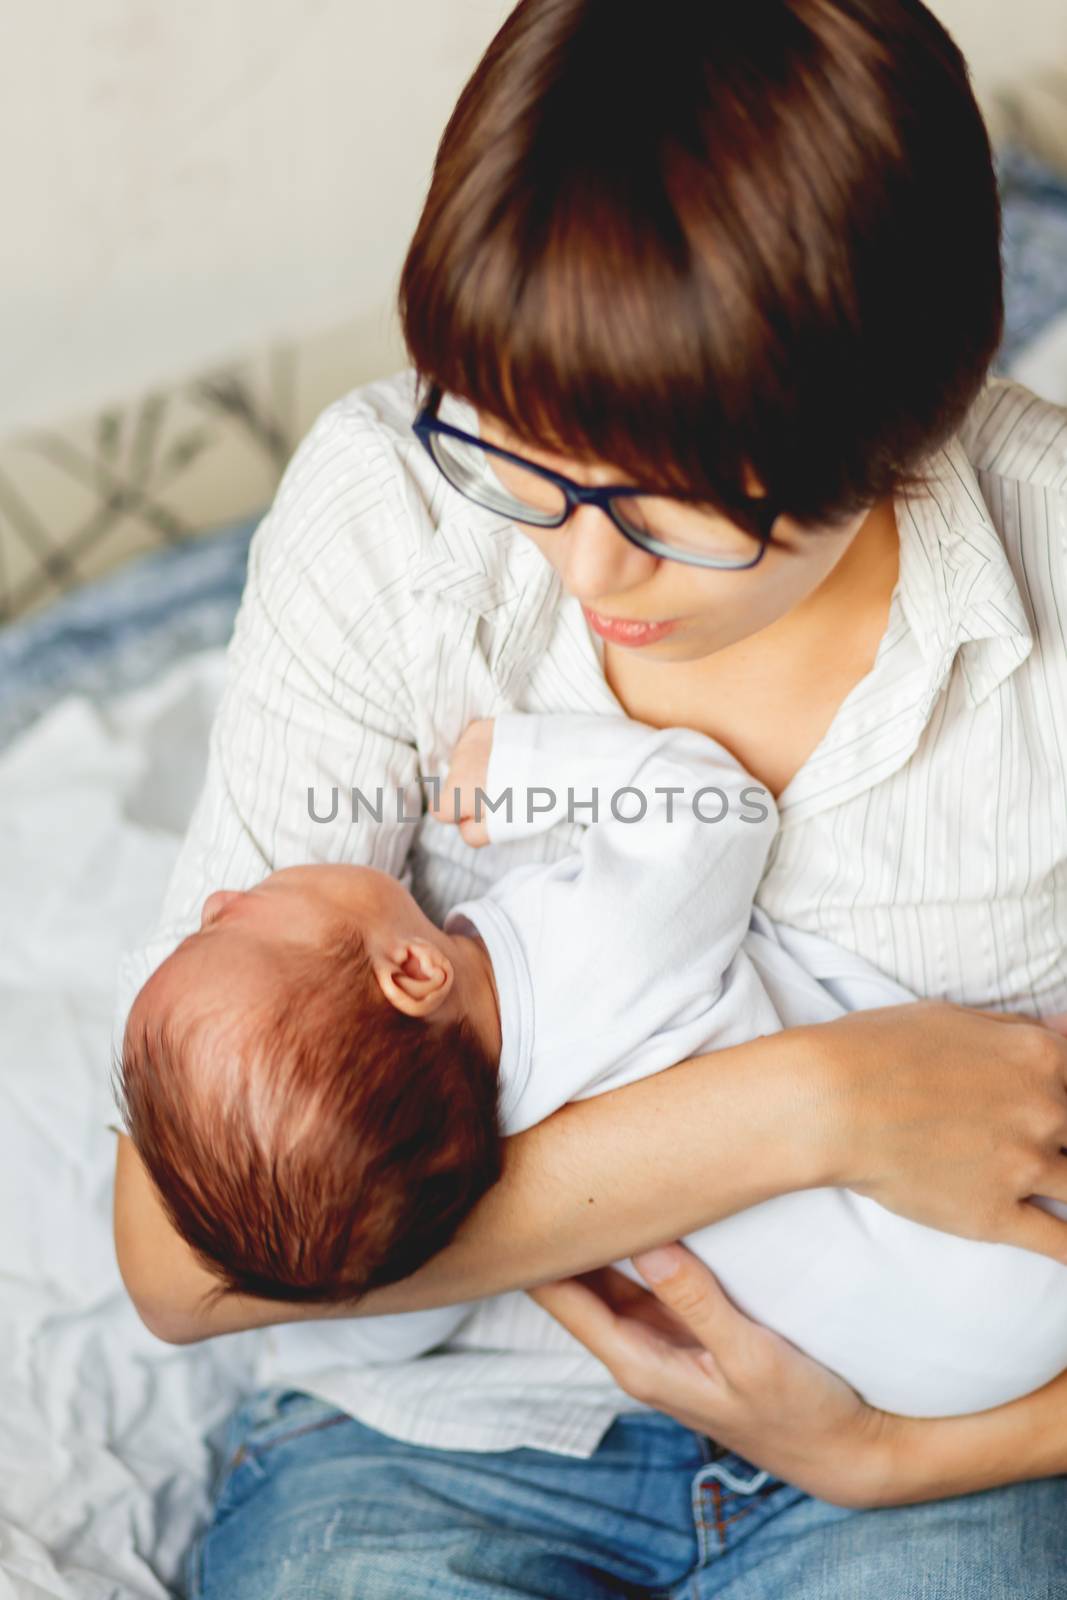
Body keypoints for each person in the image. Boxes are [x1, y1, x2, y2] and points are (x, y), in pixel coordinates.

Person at [111, 1, 1067, 1594]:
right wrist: (808, 1110)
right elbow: (175, 1266)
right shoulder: (398, 526)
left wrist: (889, 1459)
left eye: (671, 511)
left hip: (925, 1447)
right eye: (523, 454)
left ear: (895, 424)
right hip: (440, 1434)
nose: (581, 566)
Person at [116, 707, 1067, 1418]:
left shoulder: (431, 1184)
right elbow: (720, 810)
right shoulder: (594, 953)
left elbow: (386, 1314)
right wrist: (528, 770)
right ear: (409, 968)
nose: (212, 904)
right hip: (987, 1268)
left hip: (910, 1371)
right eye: (228, 928)